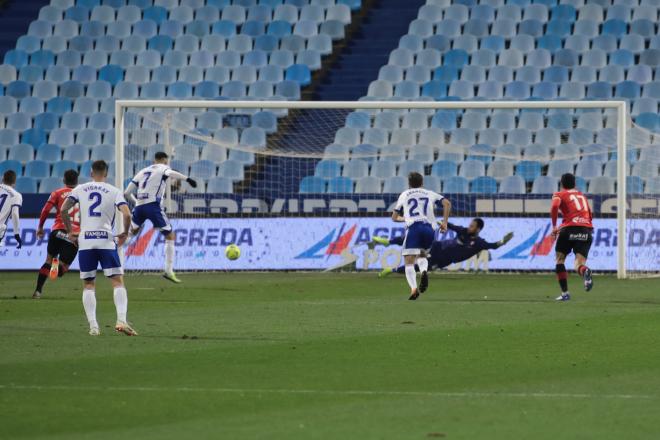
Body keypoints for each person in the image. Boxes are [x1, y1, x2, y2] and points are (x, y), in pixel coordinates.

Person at [61, 160, 137, 336]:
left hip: (85, 241)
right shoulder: (114, 190)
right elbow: (127, 214)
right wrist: (124, 232)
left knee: (88, 284)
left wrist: (71, 232)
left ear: (90, 173)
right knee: (117, 281)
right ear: (106, 173)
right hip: (105, 240)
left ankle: (93, 326)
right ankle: (121, 320)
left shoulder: (80, 189)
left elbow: (64, 209)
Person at [124, 152, 197, 283]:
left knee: (131, 234)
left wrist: (137, 203)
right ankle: (169, 271)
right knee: (170, 236)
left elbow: (127, 192)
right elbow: (171, 173)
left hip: (139, 207)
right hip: (153, 206)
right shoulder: (163, 168)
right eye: (166, 161)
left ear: (154, 159)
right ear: (164, 160)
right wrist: (188, 179)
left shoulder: (143, 171)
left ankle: (111, 253)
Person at [374, 218, 514, 277]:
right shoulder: (464, 231)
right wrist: (442, 222)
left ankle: (390, 270)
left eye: (472, 226)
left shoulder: (479, 243)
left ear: (478, 229)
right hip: (437, 247)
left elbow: (493, 246)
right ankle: (388, 241)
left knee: (419, 268)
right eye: (470, 224)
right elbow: (452, 226)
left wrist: (503, 241)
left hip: (444, 260)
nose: (469, 226)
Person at [392, 172, 451, 300]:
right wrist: (445, 223)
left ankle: (413, 289)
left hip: (413, 228)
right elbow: (447, 203)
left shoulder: (404, 194)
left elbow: (394, 217)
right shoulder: (429, 193)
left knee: (409, 261)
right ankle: (424, 271)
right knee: (422, 254)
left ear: (409, 184)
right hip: (429, 229)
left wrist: (406, 218)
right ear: (422, 182)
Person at [33, 169, 80, 299]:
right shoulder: (82, 194)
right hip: (73, 235)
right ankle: (57, 263)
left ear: (64, 180)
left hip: (57, 231)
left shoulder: (57, 193)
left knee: (48, 260)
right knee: (62, 270)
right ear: (77, 181)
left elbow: (45, 210)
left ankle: (38, 291)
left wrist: (40, 227)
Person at [551, 173, 594, 301]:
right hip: (585, 230)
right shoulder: (582, 196)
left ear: (562, 184)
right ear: (575, 184)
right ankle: (585, 271)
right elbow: (590, 214)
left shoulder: (559, 194)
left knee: (560, 260)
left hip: (568, 230)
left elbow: (554, 206)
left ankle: (565, 294)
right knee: (578, 264)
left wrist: (554, 226)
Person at [0, 170, 22, 249]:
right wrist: (16, 234)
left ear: (3, 179)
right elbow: (15, 214)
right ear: (14, 183)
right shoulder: (16, 195)